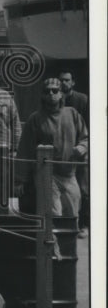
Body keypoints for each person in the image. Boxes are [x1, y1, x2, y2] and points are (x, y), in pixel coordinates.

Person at [14, 77, 88, 219]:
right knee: (53, 215)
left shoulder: (72, 114)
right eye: (47, 91)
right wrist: (19, 180)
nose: (51, 94)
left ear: (61, 94)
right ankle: (52, 242)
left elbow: (85, 137)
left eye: (55, 91)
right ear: (42, 95)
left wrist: (82, 147)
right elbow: (24, 150)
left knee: (72, 215)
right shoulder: (35, 119)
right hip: (46, 174)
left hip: (69, 174)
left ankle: (67, 242)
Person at [59, 71, 89, 238]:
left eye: (67, 80)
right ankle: (69, 223)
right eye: (61, 80)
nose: (64, 83)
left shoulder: (82, 100)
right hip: (64, 152)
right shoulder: (56, 99)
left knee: (83, 188)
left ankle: (84, 224)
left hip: (81, 149)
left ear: (73, 82)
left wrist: (84, 146)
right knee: (66, 188)